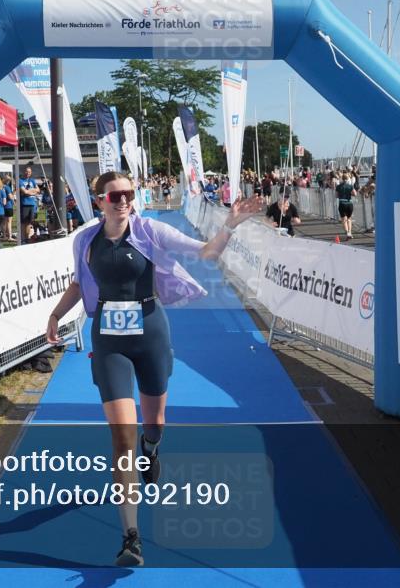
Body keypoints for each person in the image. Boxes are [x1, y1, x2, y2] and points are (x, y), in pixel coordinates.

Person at [44, 171, 265, 567]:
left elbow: (205, 252)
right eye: (115, 196)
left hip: (151, 334)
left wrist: (229, 225)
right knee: (121, 439)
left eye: (128, 194)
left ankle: (153, 445)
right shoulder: (84, 240)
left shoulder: (150, 231)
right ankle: (131, 536)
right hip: (108, 339)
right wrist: (56, 315)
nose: (124, 200)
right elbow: (80, 284)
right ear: (99, 201)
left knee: (154, 423)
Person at [19, 166, 41, 241]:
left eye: (29, 172)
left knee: (30, 222)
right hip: (24, 204)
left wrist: (30, 191)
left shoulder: (32, 180)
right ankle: (23, 238)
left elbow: (38, 190)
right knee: (24, 222)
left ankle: (28, 237)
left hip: (32, 204)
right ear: (24, 172)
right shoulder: (20, 181)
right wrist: (33, 192)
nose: (28, 173)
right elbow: (24, 191)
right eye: (26, 171)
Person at [335, 172, 355, 240]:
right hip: (349, 203)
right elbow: (355, 194)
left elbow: (336, 195)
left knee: (344, 219)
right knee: (349, 219)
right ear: (348, 178)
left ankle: (347, 233)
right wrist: (350, 194)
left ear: (342, 179)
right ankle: (350, 232)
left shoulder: (338, 186)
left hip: (342, 203)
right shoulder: (350, 186)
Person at [3, 175, 17, 241]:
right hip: (8, 206)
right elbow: (10, 197)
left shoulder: (1, 187)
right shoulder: (7, 187)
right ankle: (9, 237)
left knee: (4, 222)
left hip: (3, 206)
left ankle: (4, 236)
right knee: (9, 222)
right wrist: (14, 193)